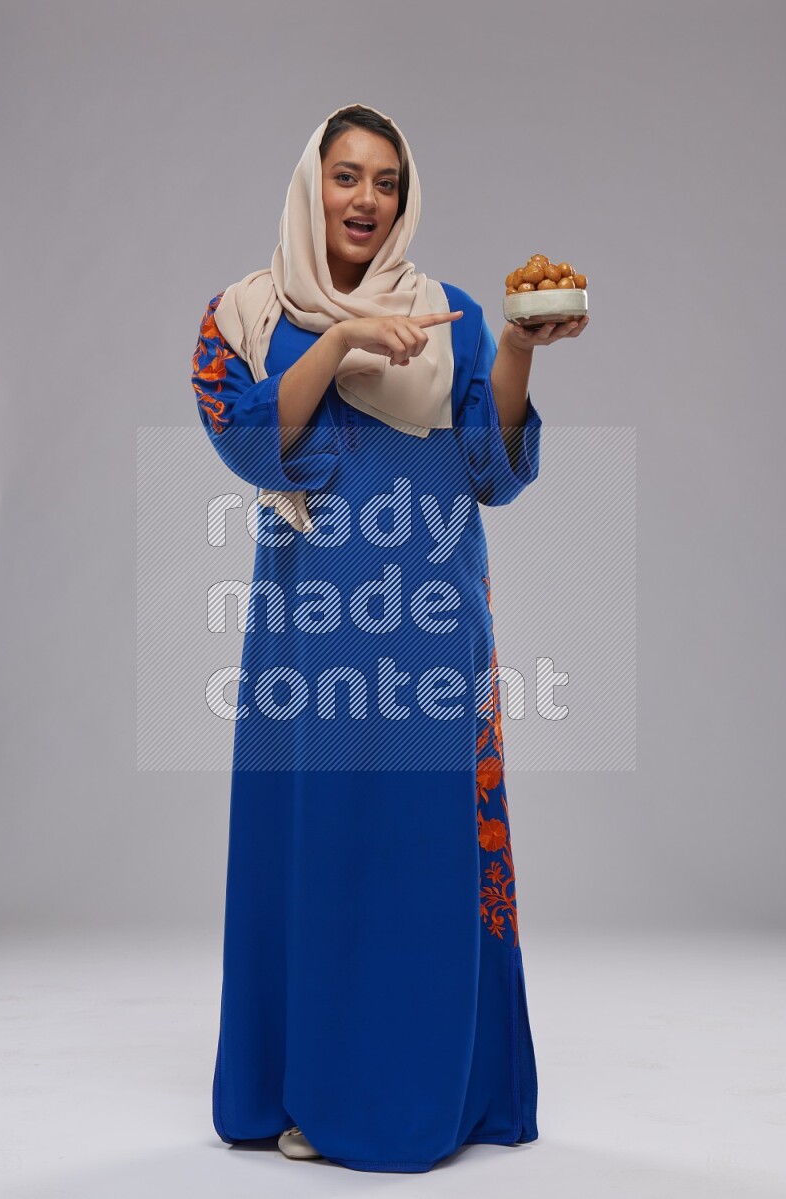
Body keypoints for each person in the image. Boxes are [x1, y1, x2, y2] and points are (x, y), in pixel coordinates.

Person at [190, 102, 588, 1175]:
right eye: (346, 176)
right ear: (308, 185)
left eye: (387, 183)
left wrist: (510, 345)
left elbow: (489, 466)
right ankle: (301, 1082)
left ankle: (418, 1093)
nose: (366, 200)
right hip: (312, 637)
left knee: (416, 861)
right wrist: (339, 341)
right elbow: (252, 441)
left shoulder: (445, 312)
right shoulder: (247, 315)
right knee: (317, 850)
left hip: (427, 631)